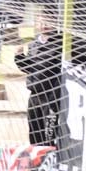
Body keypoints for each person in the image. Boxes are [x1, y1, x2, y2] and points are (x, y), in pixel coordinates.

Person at [15, 16, 63, 147]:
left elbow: (46, 67)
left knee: (49, 134)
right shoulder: (33, 44)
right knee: (34, 131)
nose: (44, 25)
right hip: (35, 95)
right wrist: (19, 57)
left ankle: (50, 160)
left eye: (48, 21)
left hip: (51, 96)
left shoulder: (60, 44)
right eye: (41, 22)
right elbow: (30, 68)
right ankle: (36, 161)